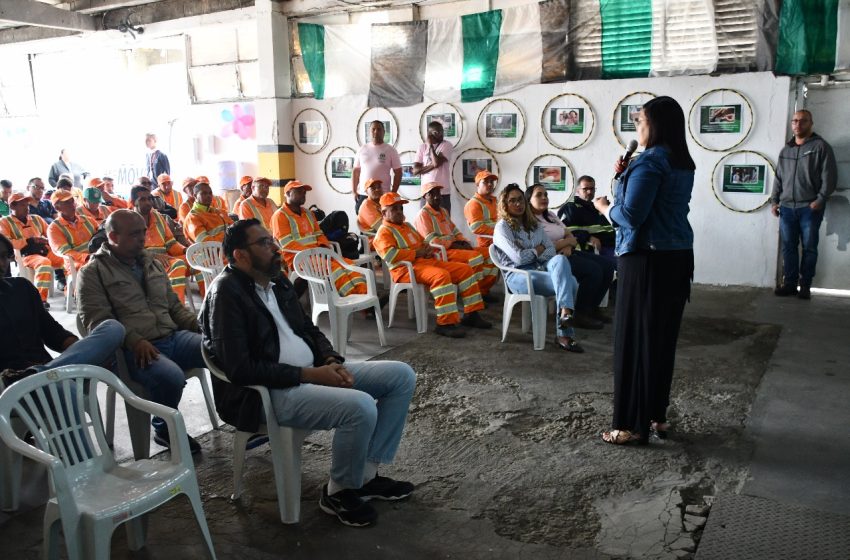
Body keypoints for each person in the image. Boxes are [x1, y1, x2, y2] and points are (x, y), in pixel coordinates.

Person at [201, 219, 416, 527]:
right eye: (264, 243)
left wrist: (329, 359)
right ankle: (338, 493)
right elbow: (240, 369)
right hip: (267, 394)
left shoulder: (278, 281)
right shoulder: (226, 294)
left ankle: (365, 477)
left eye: (272, 240)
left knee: (400, 376)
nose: (275, 247)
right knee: (360, 406)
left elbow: (307, 328)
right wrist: (310, 375)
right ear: (240, 256)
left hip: (311, 372)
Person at [593, 96, 695, 445]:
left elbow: (631, 215)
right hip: (677, 257)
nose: (636, 127)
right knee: (661, 342)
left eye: (640, 121)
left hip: (646, 260)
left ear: (656, 125)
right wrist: (624, 175)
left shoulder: (651, 163)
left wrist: (606, 206)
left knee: (634, 343)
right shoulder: (681, 161)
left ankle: (629, 426)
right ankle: (656, 416)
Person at [78, 210, 205, 454]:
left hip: (172, 337)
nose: (142, 238)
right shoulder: (93, 273)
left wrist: (199, 325)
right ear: (113, 236)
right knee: (172, 377)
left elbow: (174, 307)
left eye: (143, 232)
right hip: (134, 350)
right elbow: (98, 321)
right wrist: (134, 341)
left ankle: (235, 414)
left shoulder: (151, 262)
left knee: (218, 349)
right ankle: (165, 428)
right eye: (134, 234)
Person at [0, 232, 125, 389]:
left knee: (113, 328)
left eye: (4, 257)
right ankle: (39, 378)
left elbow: (52, 332)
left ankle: (37, 376)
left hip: (44, 370)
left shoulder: (22, 288)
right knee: (67, 388)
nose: (1, 264)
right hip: (7, 387)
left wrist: (86, 351)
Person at [373, 192, 490, 337]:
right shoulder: (383, 232)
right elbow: (390, 256)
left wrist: (427, 249)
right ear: (383, 212)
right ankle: (445, 323)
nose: (399, 212)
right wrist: (416, 253)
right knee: (441, 276)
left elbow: (423, 242)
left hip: (425, 262)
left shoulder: (407, 226)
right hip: (405, 270)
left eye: (400, 208)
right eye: (394, 209)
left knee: (465, 269)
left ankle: (471, 314)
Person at [492, 184, 582, 353]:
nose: (518, 204)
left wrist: (535, 253)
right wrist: (537, 249)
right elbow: (518, 259)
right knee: (571, 283)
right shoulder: (502, 227)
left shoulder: (533, 225)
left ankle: (564, 313)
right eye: (512, 201)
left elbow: (549, 250)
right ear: (505, 205)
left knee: (561, 260)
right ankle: (564, 333)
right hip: (518, 276)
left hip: (538, 269)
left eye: (520, 200)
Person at [526, 184, 614, 328]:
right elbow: (543, 247)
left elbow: (568, 233)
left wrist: (567, 244)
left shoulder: (551, 216)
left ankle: (592, 308)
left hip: (567, 251)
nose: (544, 198)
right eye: (539, 195)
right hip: (552, 260)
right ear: (529, 200)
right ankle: (580, 313)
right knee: (594, 271)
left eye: (546, 194)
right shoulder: (529, 222)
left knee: (608, 266)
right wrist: (566, 242)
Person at [770, 109, 837, 300]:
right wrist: (775, 201)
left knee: (809, 248)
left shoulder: (821, 147)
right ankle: (790, 284)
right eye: (795, 121)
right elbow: (778, 178)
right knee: (788, 247)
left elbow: (829, 177)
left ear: (811, 123)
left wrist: (820, 200)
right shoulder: (786, 150)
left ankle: (805, 286)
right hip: (787, 208)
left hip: (810, 208)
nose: (798, 125)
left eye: (803, 121)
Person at [271, 180, 367, 295]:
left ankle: (366, 301)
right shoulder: (280, 216)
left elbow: (319, 234)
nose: (303, 194)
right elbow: (287, 244)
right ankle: (357, 303)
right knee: (335, 269)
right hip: (298, 258)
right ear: (287, 194)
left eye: (304, 192)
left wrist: (324, 246)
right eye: (299, 191)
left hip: (317, 254)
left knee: (349, 265)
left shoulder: (308, 213)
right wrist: (313, 253)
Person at [414, 182, 498, 299]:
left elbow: (455, 230)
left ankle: (482, 290)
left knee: (492, 255)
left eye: (438, 193)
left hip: (456, 247)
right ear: (425, 197)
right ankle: (474, 296)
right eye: (431, 194)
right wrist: (455, 244)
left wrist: (464, 242)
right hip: (441, 252)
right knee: (475, 258)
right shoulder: (422, 215)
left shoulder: (443, 211)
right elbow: (432, 242)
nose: (436, 196)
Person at [130, 185, 193, 303]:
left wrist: (186, 250)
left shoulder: (158, 217)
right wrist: (153, 256)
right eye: (143, 199)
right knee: (178, 265)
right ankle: (177, 309)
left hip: (165, 261)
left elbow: (171, 243)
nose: (148, 202)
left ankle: (209, 305)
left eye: (149, 199)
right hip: (143, 263)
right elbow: (128, 250)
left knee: (198, 258)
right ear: (133, 202)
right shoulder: (128, 220)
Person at [0, 193, 63, 307]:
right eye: (23, 205)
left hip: (45, 251)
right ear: (12, 207)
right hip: (25, 255)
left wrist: (45, 240)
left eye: (27, 204)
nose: (27, 207)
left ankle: (73, 291)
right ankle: (39, 299)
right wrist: (30, 241)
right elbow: (7, 244)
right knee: (44, 263)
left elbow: (51, 235)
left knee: (67, 260)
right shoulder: (4, 222)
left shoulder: (37, 219)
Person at [557, 175, 616, 264]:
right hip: (588, 250)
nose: (589, 192)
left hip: (611, 248)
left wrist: (607, 209)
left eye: (592, 189)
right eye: (585, 189)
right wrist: (589, 237)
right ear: (578, 191)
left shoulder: (598, 207)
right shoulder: (570, 208)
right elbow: (564, 232)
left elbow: (610, 229)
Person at [47, 190, 98, 283]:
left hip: (95, 257)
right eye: (67, 202)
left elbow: (101, 237)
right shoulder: (54, 228)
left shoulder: (89, 220)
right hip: (75, 263)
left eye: (72, 201)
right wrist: (87, 257)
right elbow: (65, 252)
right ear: (57, 207)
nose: (72, 205)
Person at [352, 121, 401, 214]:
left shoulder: (391, 150)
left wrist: (393, 192)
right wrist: (354, 191)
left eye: (379, 129)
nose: (376, 132)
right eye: (373, 129)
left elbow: (398, 172)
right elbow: (356, 171)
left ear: (384, 132)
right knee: (364, 226)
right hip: (363, 194)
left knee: (383, 224)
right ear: (369, 132)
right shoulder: (362, 149)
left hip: (383, 195)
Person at [413, 121, 454, 213]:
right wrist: (433, 165)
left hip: (443, 193)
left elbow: (437, 163)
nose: (441, 134)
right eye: (437, 132)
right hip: (426, 193)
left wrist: (431, 146)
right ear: (429, 134)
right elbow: (415, 171)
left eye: (442, 131)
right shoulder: (422, 147)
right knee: (424, 221)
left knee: (444, 222)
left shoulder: (447, 145)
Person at [183, 179, 234, 244]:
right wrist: (229, 236)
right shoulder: (192, 218)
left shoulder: (218, 212)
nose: (208, 196)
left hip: (228, 248)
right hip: (208, 253)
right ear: (195, 196)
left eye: (210, 193)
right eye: (204, 193)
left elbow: (234, 228)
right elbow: (206, 242)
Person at [463, 171, 499, 249]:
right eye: (485, 182)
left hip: (500, 240)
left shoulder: (496, 201)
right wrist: (500, 232)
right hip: (488, 244)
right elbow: (476, 228)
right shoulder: (473, 204)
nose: (490, 184)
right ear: (478, 185)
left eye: (491, 182)